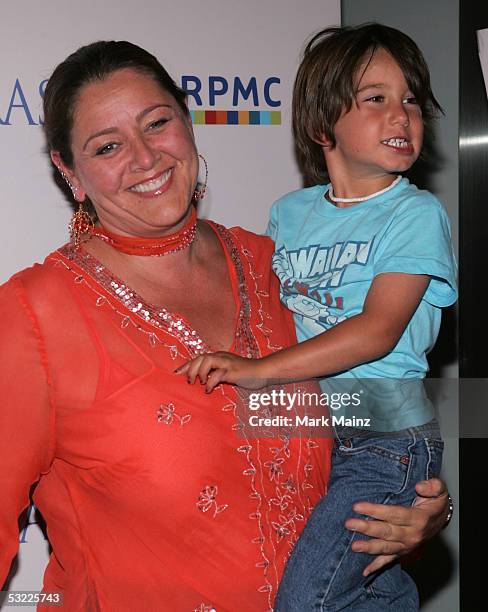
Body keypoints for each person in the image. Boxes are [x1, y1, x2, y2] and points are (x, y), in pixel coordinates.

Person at [0, 40, 450, 612]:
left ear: (187, 126)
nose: (145, 158)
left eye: (157, 123)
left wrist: (420, 508)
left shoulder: (274, 264)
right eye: (108, 146)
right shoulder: (34, 315)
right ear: (70, 172)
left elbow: (360, 418)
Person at [179, 24, 457, 610]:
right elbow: (267, 309)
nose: (402, 114)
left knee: (305, 599)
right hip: (310, 434)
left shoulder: (415, 213)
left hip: (386, 440)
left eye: (411, 99)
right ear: (319, 126)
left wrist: (258, 371)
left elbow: (378, 332)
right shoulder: (289, 212)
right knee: (371, 590)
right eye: (375, 98)